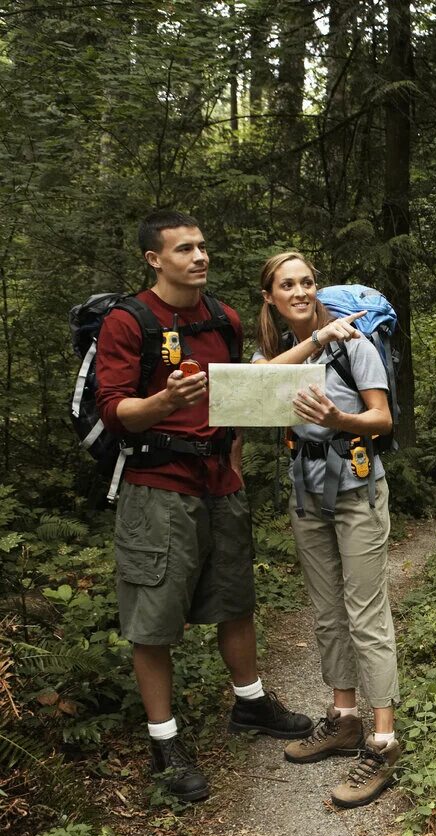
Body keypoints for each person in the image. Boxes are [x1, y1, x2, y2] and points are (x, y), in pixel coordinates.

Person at [96, 210, 313, 803]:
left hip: (220, 483)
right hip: (158, 486)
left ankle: (252, 705)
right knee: (155, 620)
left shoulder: (223, 317)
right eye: (185, 248)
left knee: (234, 599)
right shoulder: (127, 321)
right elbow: (114, 414)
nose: (199, 256)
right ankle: (164, 744)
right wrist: (163, 401)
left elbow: (236, 398)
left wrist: (235, 464)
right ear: (154, 259)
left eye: (202, 246)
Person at [253, 251, 401, 809]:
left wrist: (340, 421)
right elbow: (263, 384)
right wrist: (315, 342)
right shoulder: (273, 353)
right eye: (287, 284)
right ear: (270, 296)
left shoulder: (355, 343)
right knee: (326, 611)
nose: (299, 291)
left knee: (366, 610)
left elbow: (382, 418)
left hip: (358, 485)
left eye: (307, 282)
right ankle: (343, 718)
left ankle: (383, 739)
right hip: (306, 489)